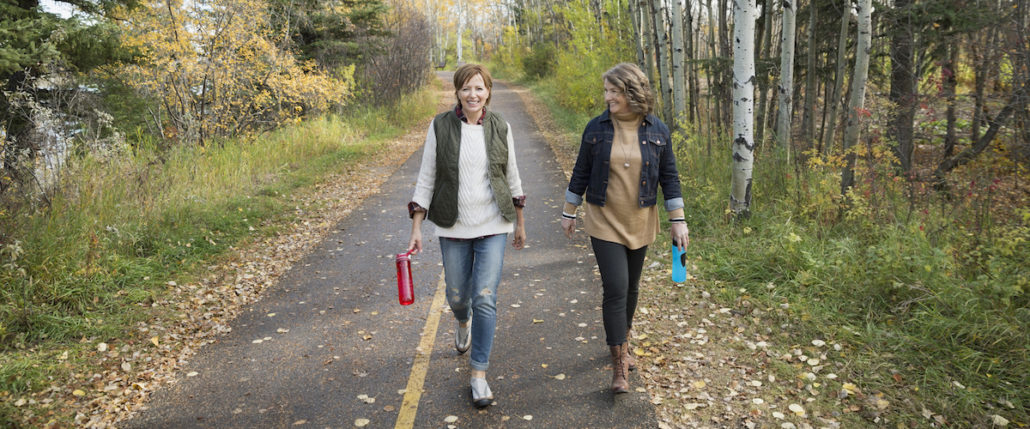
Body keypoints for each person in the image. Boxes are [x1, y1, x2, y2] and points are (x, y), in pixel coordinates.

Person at [560, 63, 688, 394]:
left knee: (631, 288)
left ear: (631, 92)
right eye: (606, 91)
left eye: (613, 92)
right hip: (604, 218)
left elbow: (669, 177)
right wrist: (569, 211)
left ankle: (623, 340)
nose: (608, 97)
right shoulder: (596, 128)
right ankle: (618, 364)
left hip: (640, 219)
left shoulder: (657, 128)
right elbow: (581, 171)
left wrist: (679, 220)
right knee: (616, 287)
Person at [406, 63, 526, 408]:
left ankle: (478, 375)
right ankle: (462, 321)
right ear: (457, 92)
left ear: (488, 90)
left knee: (485, 297)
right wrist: (416, 226)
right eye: (465, 89)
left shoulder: (500, 125)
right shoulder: (441, 126)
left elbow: (512, 174)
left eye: (479, 88)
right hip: (453, 224)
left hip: (493, 223)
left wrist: (519, 220)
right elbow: (427, 177)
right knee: (459, 296)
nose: (472, 95)